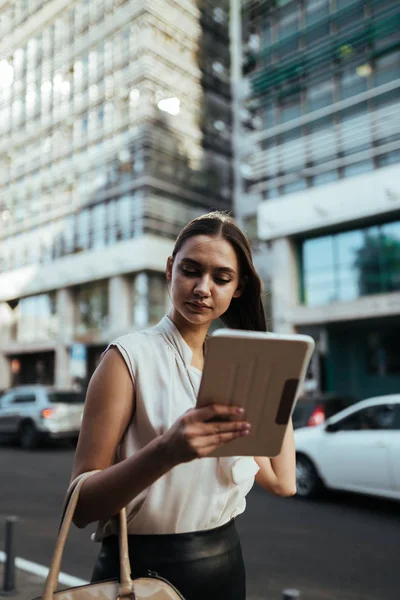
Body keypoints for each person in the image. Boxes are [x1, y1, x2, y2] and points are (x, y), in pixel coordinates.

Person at [70, 211, 296, 600]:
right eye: (191, 270)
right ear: (170, 268)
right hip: (140, 574)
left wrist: (275, 381)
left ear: (239, 287)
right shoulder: (127, 358)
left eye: (222, 278)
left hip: (224, 567)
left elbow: (282, 481)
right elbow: (80, 505)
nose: (203, 288)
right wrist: (167, 450)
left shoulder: (236, 369)